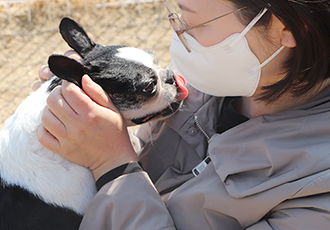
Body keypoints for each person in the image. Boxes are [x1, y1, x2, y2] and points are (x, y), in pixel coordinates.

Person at [35, 0, 330, 229]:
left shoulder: (318, 187)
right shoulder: (212, 86)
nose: (180, 35)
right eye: (177, 17)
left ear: (290, 28)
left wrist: (112, 165)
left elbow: (121, 162)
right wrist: (89, 117)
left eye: (195, 24)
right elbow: (147, 159)